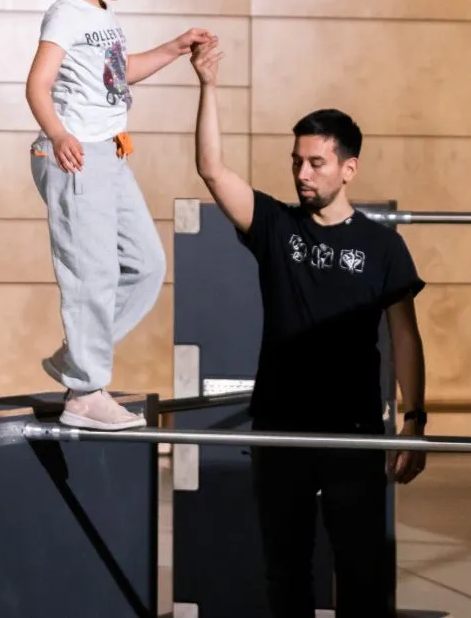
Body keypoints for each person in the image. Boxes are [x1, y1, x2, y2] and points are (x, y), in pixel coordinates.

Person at [189, 36, 429, 616]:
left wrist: (415, 419)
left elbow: (405, 336)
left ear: (349, 169)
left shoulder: (383, 247)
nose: (302, 172)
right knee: (286, 572)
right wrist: (209, 85)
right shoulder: (276, 226)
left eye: (316, 163)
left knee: (361, 573)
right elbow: (212, 170)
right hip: (281, 429)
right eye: (296, 161)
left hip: (353, 431)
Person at [24, 0, 212, 430]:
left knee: (146, 266)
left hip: (110, 154)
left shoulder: (104, 18)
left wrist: (175, 48)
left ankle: (76, 358)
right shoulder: (66, 14)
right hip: (74, 154)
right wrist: (59, 134)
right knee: (92, 274)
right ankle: (84, 393)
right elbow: (37, 84)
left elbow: (118, 75)